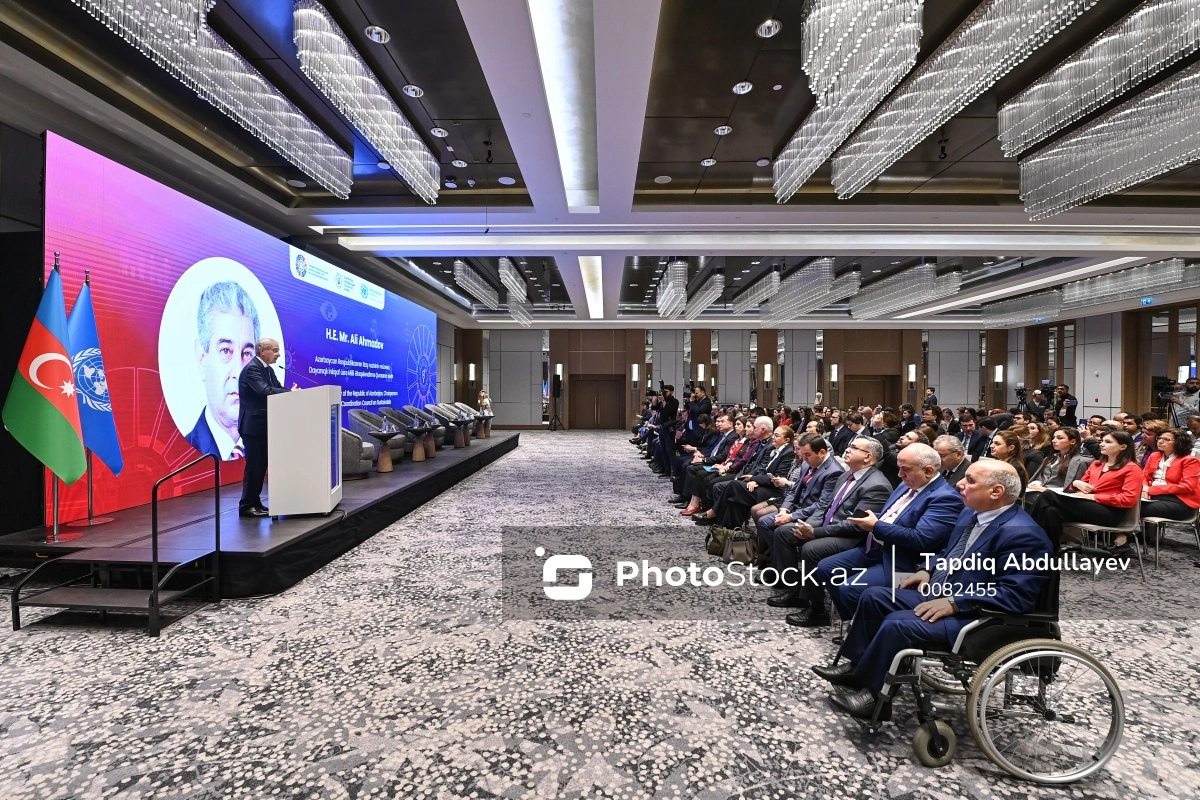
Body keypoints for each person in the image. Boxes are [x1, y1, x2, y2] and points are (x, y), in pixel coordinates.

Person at [812, 461, 1053, 721]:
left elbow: (1016, 595)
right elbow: (948, 552)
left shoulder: (1024, 535)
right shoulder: (971, 513)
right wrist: (927, 569)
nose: (960, 483)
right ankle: (859, 668)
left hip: (979, 616)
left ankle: (874, 698)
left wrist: (955, 603)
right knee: (874, 596)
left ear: (996, 492)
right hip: (944, 590)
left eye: (970, 480)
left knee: (898, 623)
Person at [815, 443, 964, 622]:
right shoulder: (907, 484)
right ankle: (855, 620)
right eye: (899, 468)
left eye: (905, 469)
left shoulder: (945, 498)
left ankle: (866, 629)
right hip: (876, 548)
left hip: (901, 559)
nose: (900, 475)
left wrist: (876, 526)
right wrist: (872, 518)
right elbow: (894, 516)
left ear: (928, 470)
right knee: (826, 568)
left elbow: (920, 539)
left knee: (851, 589)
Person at [770, 436, 892, 627]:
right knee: (784, 533)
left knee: (811, 549)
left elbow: (856, 525)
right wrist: (809, 525)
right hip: (829, 526)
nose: (848, 449)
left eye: (854, 447)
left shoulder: (876, 485)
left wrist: (815, 532)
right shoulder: (847, 474)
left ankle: (817, 609)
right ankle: (795, 590)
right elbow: (825, 506)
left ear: (868, 457)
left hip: (852, 538)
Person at [1027, 430, 1142, 555]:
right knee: (1051, 511)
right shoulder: (1097, 464)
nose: (1102, 444)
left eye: (1108, 442)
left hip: (1110, 513)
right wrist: (1076, 483)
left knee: (1047, 496)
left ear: (1123, 446)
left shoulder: (1132, 468)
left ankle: (1026, 541)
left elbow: (1127, 500)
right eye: (1102, 441)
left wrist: (1093, 496)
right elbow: (1076, 489)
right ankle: (1048, 552)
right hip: (1087, 507)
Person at [185, 281, 260, 461]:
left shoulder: (271, 445)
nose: (240, 372)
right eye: (226, 351)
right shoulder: (184, 456)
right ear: (202, 358)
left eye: (247, 354)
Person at [757, 434, 845, 562]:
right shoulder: (806, 463)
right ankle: (777, 560)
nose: (803, 458)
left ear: (822, 452)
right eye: (802, 454)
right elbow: (794, 490)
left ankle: (784, 570)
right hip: (796, 508)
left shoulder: (834, 472)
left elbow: (822, 504)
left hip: (812, 515)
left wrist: (791, 517)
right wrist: (784, 510)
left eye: (807, 455)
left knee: (780, 531)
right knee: (764, 521)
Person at [238, 337, 297, 516]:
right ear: (262, 351)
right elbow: (264, 391)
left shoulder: (268, 370)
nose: (279, 354)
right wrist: (289, 393)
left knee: (261, 465)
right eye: (275, 350)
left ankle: (255, 501)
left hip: (264, 426)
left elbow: (276, 388)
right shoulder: (253, 369)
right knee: (255, 466)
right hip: (253, 426)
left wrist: (291, 393)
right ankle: (247, 505)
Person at [1141, 427, 1200, 523]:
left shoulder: (1189, 460)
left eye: (1166, 439)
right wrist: (1145, 489)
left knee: (1135, 509)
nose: (1160, 441)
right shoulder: (1155, 456)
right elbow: (1144, 475)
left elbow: (1187, 486)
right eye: (1159, 438)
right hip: (1152, 496)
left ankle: (1126, 535)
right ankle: (1134, 536)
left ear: (1179, 442)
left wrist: (1151, 490)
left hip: (1180, 501)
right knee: (1124, 503)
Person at [1025, 427, 1093, 495]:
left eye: (1059, 438)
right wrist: (1035, 484)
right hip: (1038, 492)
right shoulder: (1050, 458)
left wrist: (1046, 490)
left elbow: (1074, 487)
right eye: (1054, 437)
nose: (1053, 440)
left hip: (1059, 496)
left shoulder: (1081, 461)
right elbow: (1040, 478)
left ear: (1072, 441)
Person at [988, 429, 1030, 494]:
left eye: (997, 444)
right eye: (992, 442)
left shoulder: (1015, 468)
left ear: (1011, 448)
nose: (991, 446)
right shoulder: (999, 462)